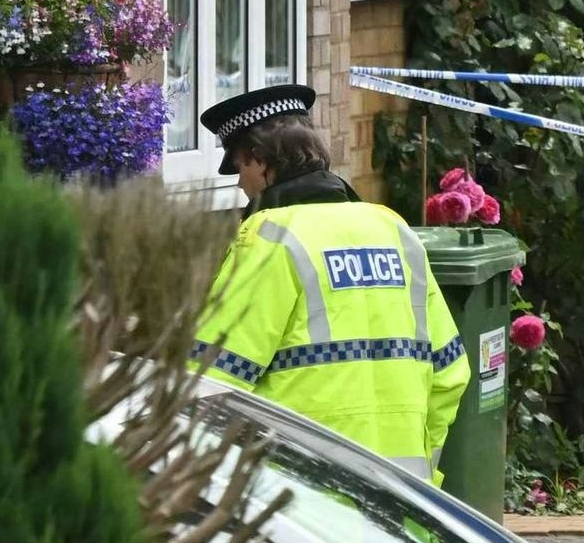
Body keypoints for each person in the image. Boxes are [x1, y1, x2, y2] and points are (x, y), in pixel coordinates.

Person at [186, 83, 469, 476]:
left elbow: (213, 377)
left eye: (240, 167)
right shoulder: (393, 230)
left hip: (302, 490)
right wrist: (421, 468)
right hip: (402, 492)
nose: (239, 184)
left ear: (261, 160)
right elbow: (450, 373)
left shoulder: (269, 237)